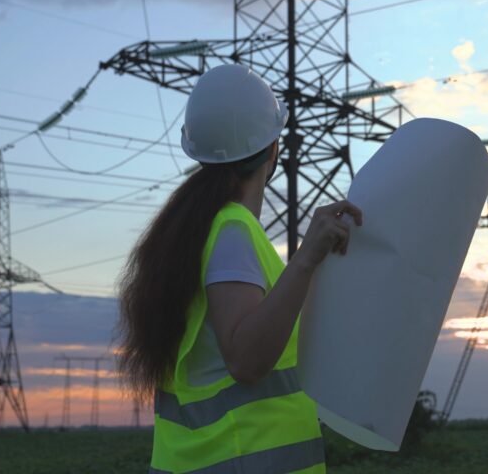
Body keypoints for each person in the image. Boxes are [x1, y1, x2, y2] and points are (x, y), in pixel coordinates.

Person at [115, 63, 362, 474]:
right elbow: (247, 361)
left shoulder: (199, 229)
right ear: (273, 150)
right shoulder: (231, 231)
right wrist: (305, 259)